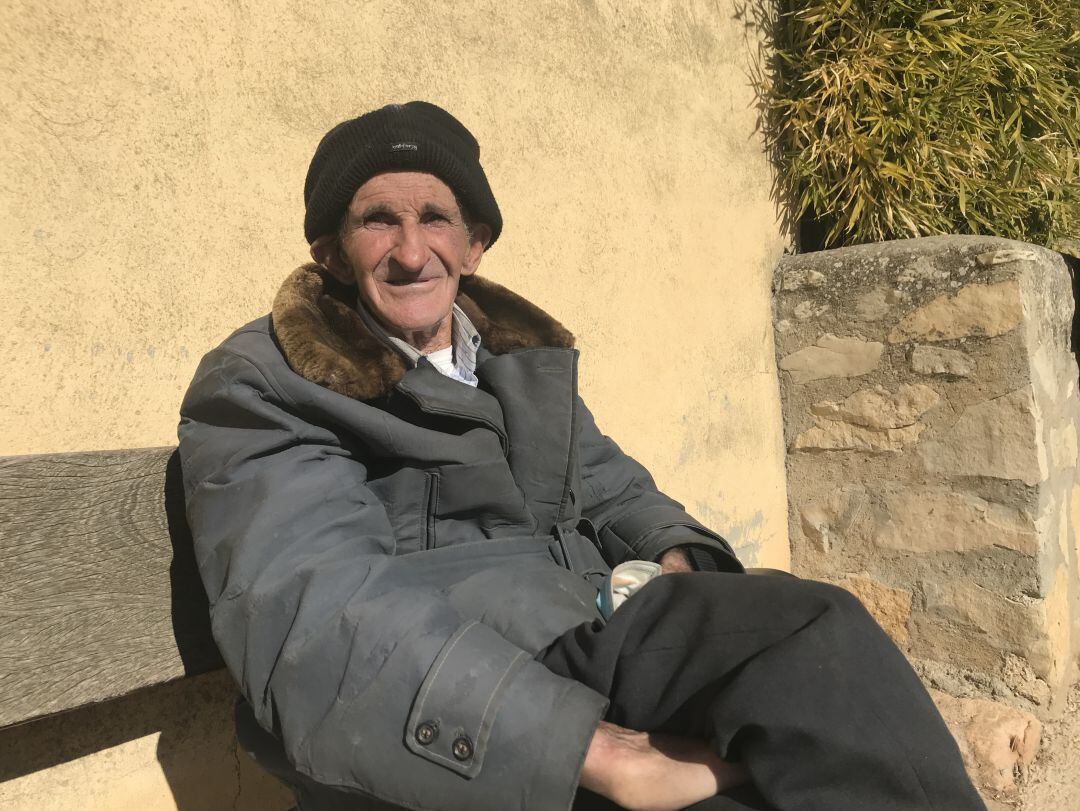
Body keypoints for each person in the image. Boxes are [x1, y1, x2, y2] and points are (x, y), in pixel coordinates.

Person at [178, 101, 984, 811]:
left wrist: (675, 560)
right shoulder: (270, 380)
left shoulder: (514, 356)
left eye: (436, 217)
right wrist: (597, 752)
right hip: (478, 676)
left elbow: (606, 480)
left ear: (476, 242)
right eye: (377, 219)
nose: (412, 251)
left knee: (813, 642)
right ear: (329, 251)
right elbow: (316, 611)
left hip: (596, 631)